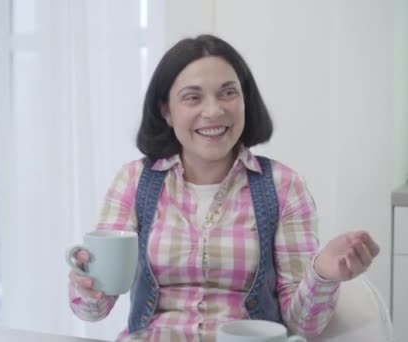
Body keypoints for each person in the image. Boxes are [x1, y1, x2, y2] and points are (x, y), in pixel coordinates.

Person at [67, 34, 380, 342]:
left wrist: (323, 272)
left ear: (245, 100)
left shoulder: (284, 186)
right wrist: (86, 286)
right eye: (193, 97)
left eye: (228, 93)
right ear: (166, 111)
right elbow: (93, 310)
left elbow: (304, 326)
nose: (214, 111)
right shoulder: (133, 182)